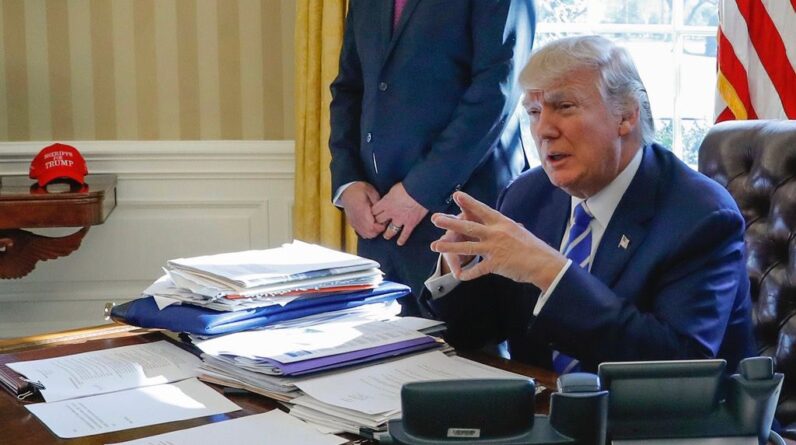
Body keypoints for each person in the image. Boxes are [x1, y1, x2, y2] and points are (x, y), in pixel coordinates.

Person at [425, 35, 756, 373]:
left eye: (564, 107)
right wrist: (458, 269)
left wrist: (551, 273)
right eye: (534, 112)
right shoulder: (526, 195)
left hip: (656, 408)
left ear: (626, 115)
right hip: (544, 401)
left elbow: (679, 366)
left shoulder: (701, 216)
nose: (543, 130)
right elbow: (476, 334)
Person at [329, 0, 536, 316]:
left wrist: (419, 191)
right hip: (378, 219)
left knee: (467, 343)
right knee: (381, 344)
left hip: (463, 214)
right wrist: (349, 182)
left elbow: (496, 90)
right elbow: (349, 88)